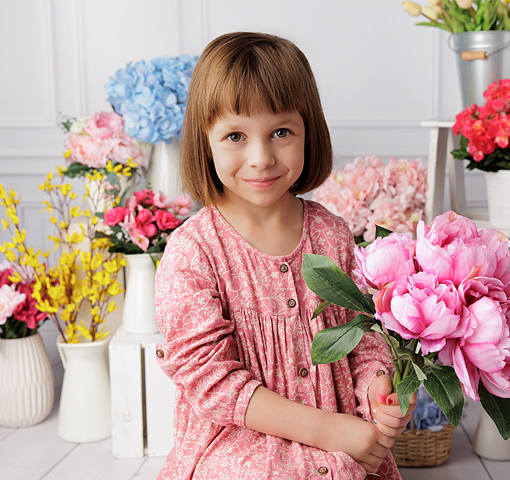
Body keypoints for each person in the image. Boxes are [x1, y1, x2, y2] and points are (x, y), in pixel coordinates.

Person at [154, 32, 415, 480]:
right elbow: (211, 381)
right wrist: (331, 432)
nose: (261, 157)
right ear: (205, 140)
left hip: (344, 435)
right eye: (236, 135)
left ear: (308, 129)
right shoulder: (193, 252)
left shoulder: (331, 233)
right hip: (238, 444)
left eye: (280, 132)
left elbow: (365, 340)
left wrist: (380, 395)